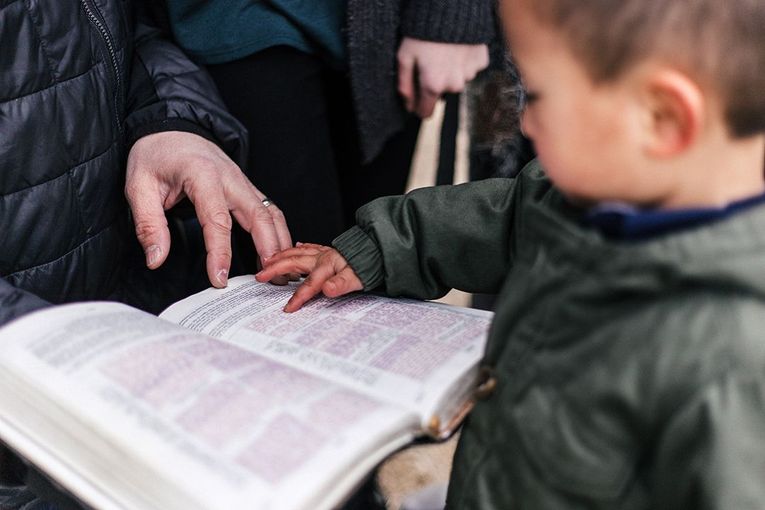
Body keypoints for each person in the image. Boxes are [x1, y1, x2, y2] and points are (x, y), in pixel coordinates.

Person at [255, 0, 765, 507]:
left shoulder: (732, 368)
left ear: (663, 118)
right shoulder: (587, 194)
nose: (523, 125)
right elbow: (500, 218)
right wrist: (377, 248)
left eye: (537, 96)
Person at [0, 1, 291, 506]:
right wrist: (51, 352)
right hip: (35, 405)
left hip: (130, 316)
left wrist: (170, 122)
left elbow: (126, 28)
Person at [161, 0, 493, 257]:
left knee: (366, 263)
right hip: (232, 23)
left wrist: (452, 14)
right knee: (283, 279)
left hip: (382, 31)